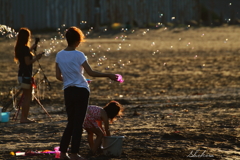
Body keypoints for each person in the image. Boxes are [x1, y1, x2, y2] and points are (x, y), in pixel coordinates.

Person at [55, 26, 118, 160]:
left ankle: (63, 154)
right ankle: (74, 154)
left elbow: (58, 76)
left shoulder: (59, 55)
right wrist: (108, 75)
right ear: (78, 41)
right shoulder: (79, 55)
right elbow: (91, 72)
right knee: (78, 123)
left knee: (70, 122)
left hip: (68, 91)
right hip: (81, 91)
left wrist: (72, 78)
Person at [14, 27, 42, 124]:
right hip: (25, 75)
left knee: (26, 96)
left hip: (21, 75)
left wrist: (32, 48)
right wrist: (37, 58)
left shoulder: (20, 47)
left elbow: (25, 55)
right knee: (27, 97)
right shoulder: (25, 48)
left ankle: (24, 117)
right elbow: (27, 62)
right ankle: (24, 118)